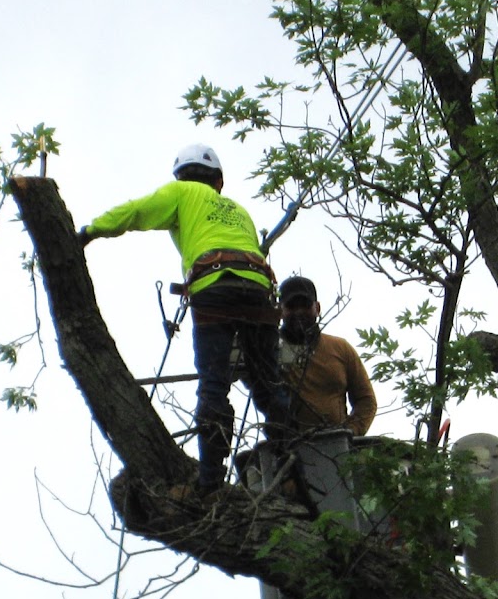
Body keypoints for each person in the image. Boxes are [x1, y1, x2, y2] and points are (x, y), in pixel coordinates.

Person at [79, 144, 289, 494]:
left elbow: (137, 211)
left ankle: (210, 481)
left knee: (214, 384)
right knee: (268, 383)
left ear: (182, 177)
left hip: (214, 288)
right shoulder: (239, 211)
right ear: (218, 182)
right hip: (258, 289)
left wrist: (90, 231)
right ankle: (294, 456)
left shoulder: (181, 192)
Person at [278, 276, 377, 437]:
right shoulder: (269, 350)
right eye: (291, 306)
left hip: (337, 443)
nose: (299, 312)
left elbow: (366, 400)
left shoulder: (340, 348)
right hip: (286, 444)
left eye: (305, 305)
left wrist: (351, 432)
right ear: (280, 310)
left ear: (317, 308)